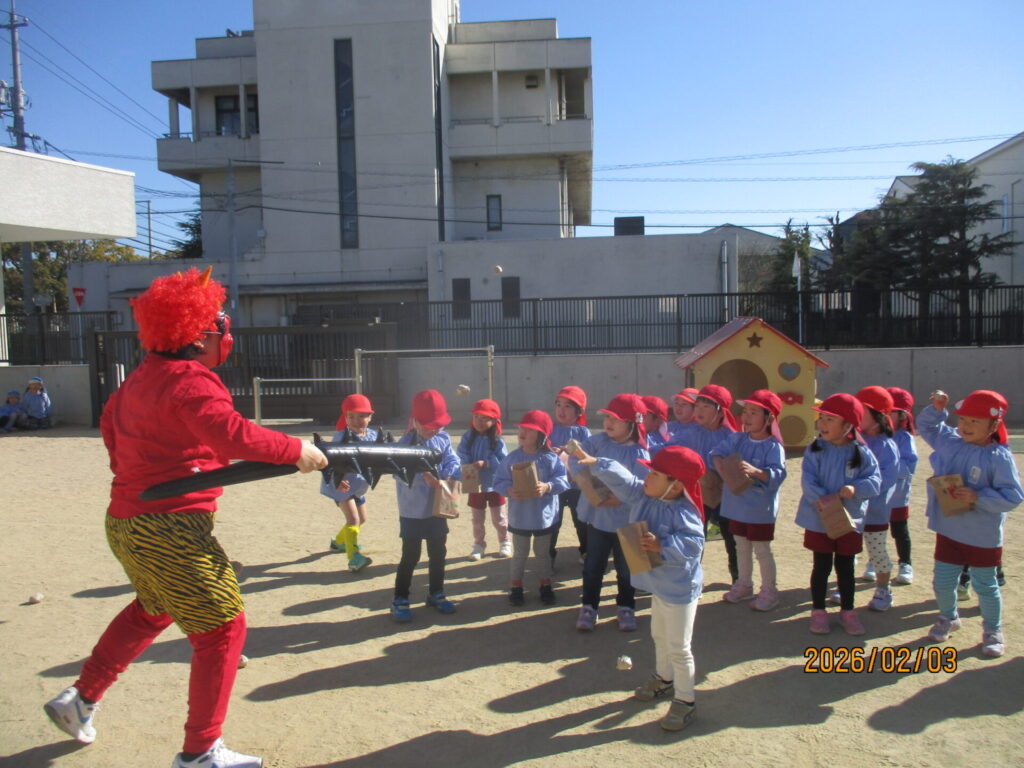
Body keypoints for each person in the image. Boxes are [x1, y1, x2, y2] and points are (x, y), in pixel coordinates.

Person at [43, 267, 328, 768]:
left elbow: (110, 429)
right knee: (223, 629)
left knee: (153, 608)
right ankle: (200, 752)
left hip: (125, 519)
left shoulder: (139, 380)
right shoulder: (191, 380)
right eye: (219, 327)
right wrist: (293, 448)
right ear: (199, 335)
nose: (225, 336)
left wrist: (145, 470)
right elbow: (230, 434)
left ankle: (81, 698)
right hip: (169, 525)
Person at [574, 444, 705, 732]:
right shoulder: (643, 495)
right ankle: (664, 679)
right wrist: (597, 462)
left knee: (679, 648)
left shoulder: (685, 512)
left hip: (680, 591)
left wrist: (663, 545)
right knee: (659, 635)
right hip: (660, 587)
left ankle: (686, 701)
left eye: (655, 474)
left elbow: (695, 544)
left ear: (675, 485)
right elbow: (625, 479)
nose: (647, 477)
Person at [918, 389, 1023, 657]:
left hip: (982, 536)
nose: (965, 425)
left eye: (975, 421)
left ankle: (992, 630)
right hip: (948, 529)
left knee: (985, 586)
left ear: (994, 425)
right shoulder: (952, 442)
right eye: (963, 419)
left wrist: (979, 497)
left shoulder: (998, 456)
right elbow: (927, 427)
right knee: (943, 582)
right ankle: (948, 617)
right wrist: (937, 409)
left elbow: (1013, 496)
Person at [795, 393, 881, 636]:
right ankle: (818, 611)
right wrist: (825, 500)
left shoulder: (862, 453)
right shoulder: (815, 449)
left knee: (845, 567)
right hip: (820, 518)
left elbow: (875, 481)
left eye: (830, 419)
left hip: (849, 521)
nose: (822, 424)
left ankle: (848, 611)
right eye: (821, 418)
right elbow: (808, 479)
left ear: (848, 426)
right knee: (821, 565)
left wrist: (856, 488)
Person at [568, 393, 649, 632]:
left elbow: (641, 487)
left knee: (627, 569)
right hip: (599, 520)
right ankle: (589, 606)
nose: (608, 422)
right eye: (607, 417)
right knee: (593, 566)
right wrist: (587, 484)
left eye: (616, 419)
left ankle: (626, 606)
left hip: (628, 522)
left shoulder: (640, 453)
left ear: (632, 423)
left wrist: (619, 497)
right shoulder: (597, 442)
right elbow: (575, 460)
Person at [709, 389, 787, 611]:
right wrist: (721, 467)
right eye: (745, 412)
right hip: (736, 505)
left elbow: (778, 474)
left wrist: (757, 472)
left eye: (754, 412)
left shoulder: (773, 447)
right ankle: (744, 584)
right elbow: (716, 453)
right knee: (741, 546)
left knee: (762, 550)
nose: (747, 417)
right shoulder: (737, 439)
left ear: (769, 419)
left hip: (760, 509)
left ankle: (770, 591)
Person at [390, 390, 462, 622]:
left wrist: (448, 474)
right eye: (430, 426)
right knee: (410, 555)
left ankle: (436, 593)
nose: (434, 430)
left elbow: (452, 459)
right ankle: (400, 599)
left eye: (438, 425)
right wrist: (422, 476)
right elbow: (397, 473)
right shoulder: (405, 443)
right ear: (416, 422)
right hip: (412, 509)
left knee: (438, 552)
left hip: (438, 506)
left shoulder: (443, 438)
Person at [493, 410, 569, 605]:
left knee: (542, 554)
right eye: (521, 428)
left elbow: (563, 480)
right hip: (520, 517)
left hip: (544, 518)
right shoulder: (511, 458)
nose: (523, 432)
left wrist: (548, 487)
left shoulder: (550, 458)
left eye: (529, 429)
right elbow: (498, 481)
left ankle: (545, 585)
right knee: (520, 554)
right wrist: (508, 490)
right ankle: (516, 587)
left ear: (542, 436)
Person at [683, 384, 740, 581]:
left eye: (706, 407)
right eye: (697, 406)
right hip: (697, 494)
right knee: (695, 534)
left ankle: (738, 578)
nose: (699, 411)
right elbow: (669, 449)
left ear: (720, 411)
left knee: (731, 537)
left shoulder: (732, 437)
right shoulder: (690, 433)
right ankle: (692, 579)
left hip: (726, 495)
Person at [853, 386, 901, 613]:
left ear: (878, 415)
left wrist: (857, 488)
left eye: (861, 410)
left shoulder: (887, 446)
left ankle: (883, 588)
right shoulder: (853, 440)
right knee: (847, 551)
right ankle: (845, 585)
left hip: (875, 512)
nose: (855, 414)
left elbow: (885, 481)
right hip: (851, 509)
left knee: (877, 551)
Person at [322, 393, 377, 572]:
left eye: (361, 416)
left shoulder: (373, 436)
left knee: (362, 519)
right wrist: (337, 480)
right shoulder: (341, 437)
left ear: (370, 416)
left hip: (358, 486)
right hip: (341, 486)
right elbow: (330, 462)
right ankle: (354, 558)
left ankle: (338, 542)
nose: (356, 421)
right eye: (351, 416)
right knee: (353, 519)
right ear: (345, 417)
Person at [457, 398, 510, 560]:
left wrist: (486, 463)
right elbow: (461, 453)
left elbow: (503, 459)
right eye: (476, 417)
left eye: (484, 418)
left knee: (499, 517)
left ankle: (505, 541)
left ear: (494, 421)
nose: (479, 422)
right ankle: (479, 544)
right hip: (474, 484)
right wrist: (468, 465)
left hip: (495, 484)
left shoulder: (498, 440)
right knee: (477, 519)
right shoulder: (467, 437)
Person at [548, 385, 591, 566]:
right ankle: (548, 555)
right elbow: (541, 450)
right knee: (553, 520)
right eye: (558, 405)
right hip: (555, 485)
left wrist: (572, 449)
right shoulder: (550, 429)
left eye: (567, 406)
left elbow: (588, 454)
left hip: (577, 485)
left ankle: (586, 551)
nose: (561, 410)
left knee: (581, 519)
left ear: (579, 411)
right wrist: (551, 451)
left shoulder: (583, 432)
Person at [886, 387, 918, 585]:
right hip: (876, 496)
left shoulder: (905, 438)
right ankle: (875, 562)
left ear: (902, 415)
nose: (885, 416)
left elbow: (909, 466)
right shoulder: (874, 436)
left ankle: (905, 563)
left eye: (891, 412)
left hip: (897, 495)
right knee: (875, 531)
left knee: (899, 531)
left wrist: (886, 467)